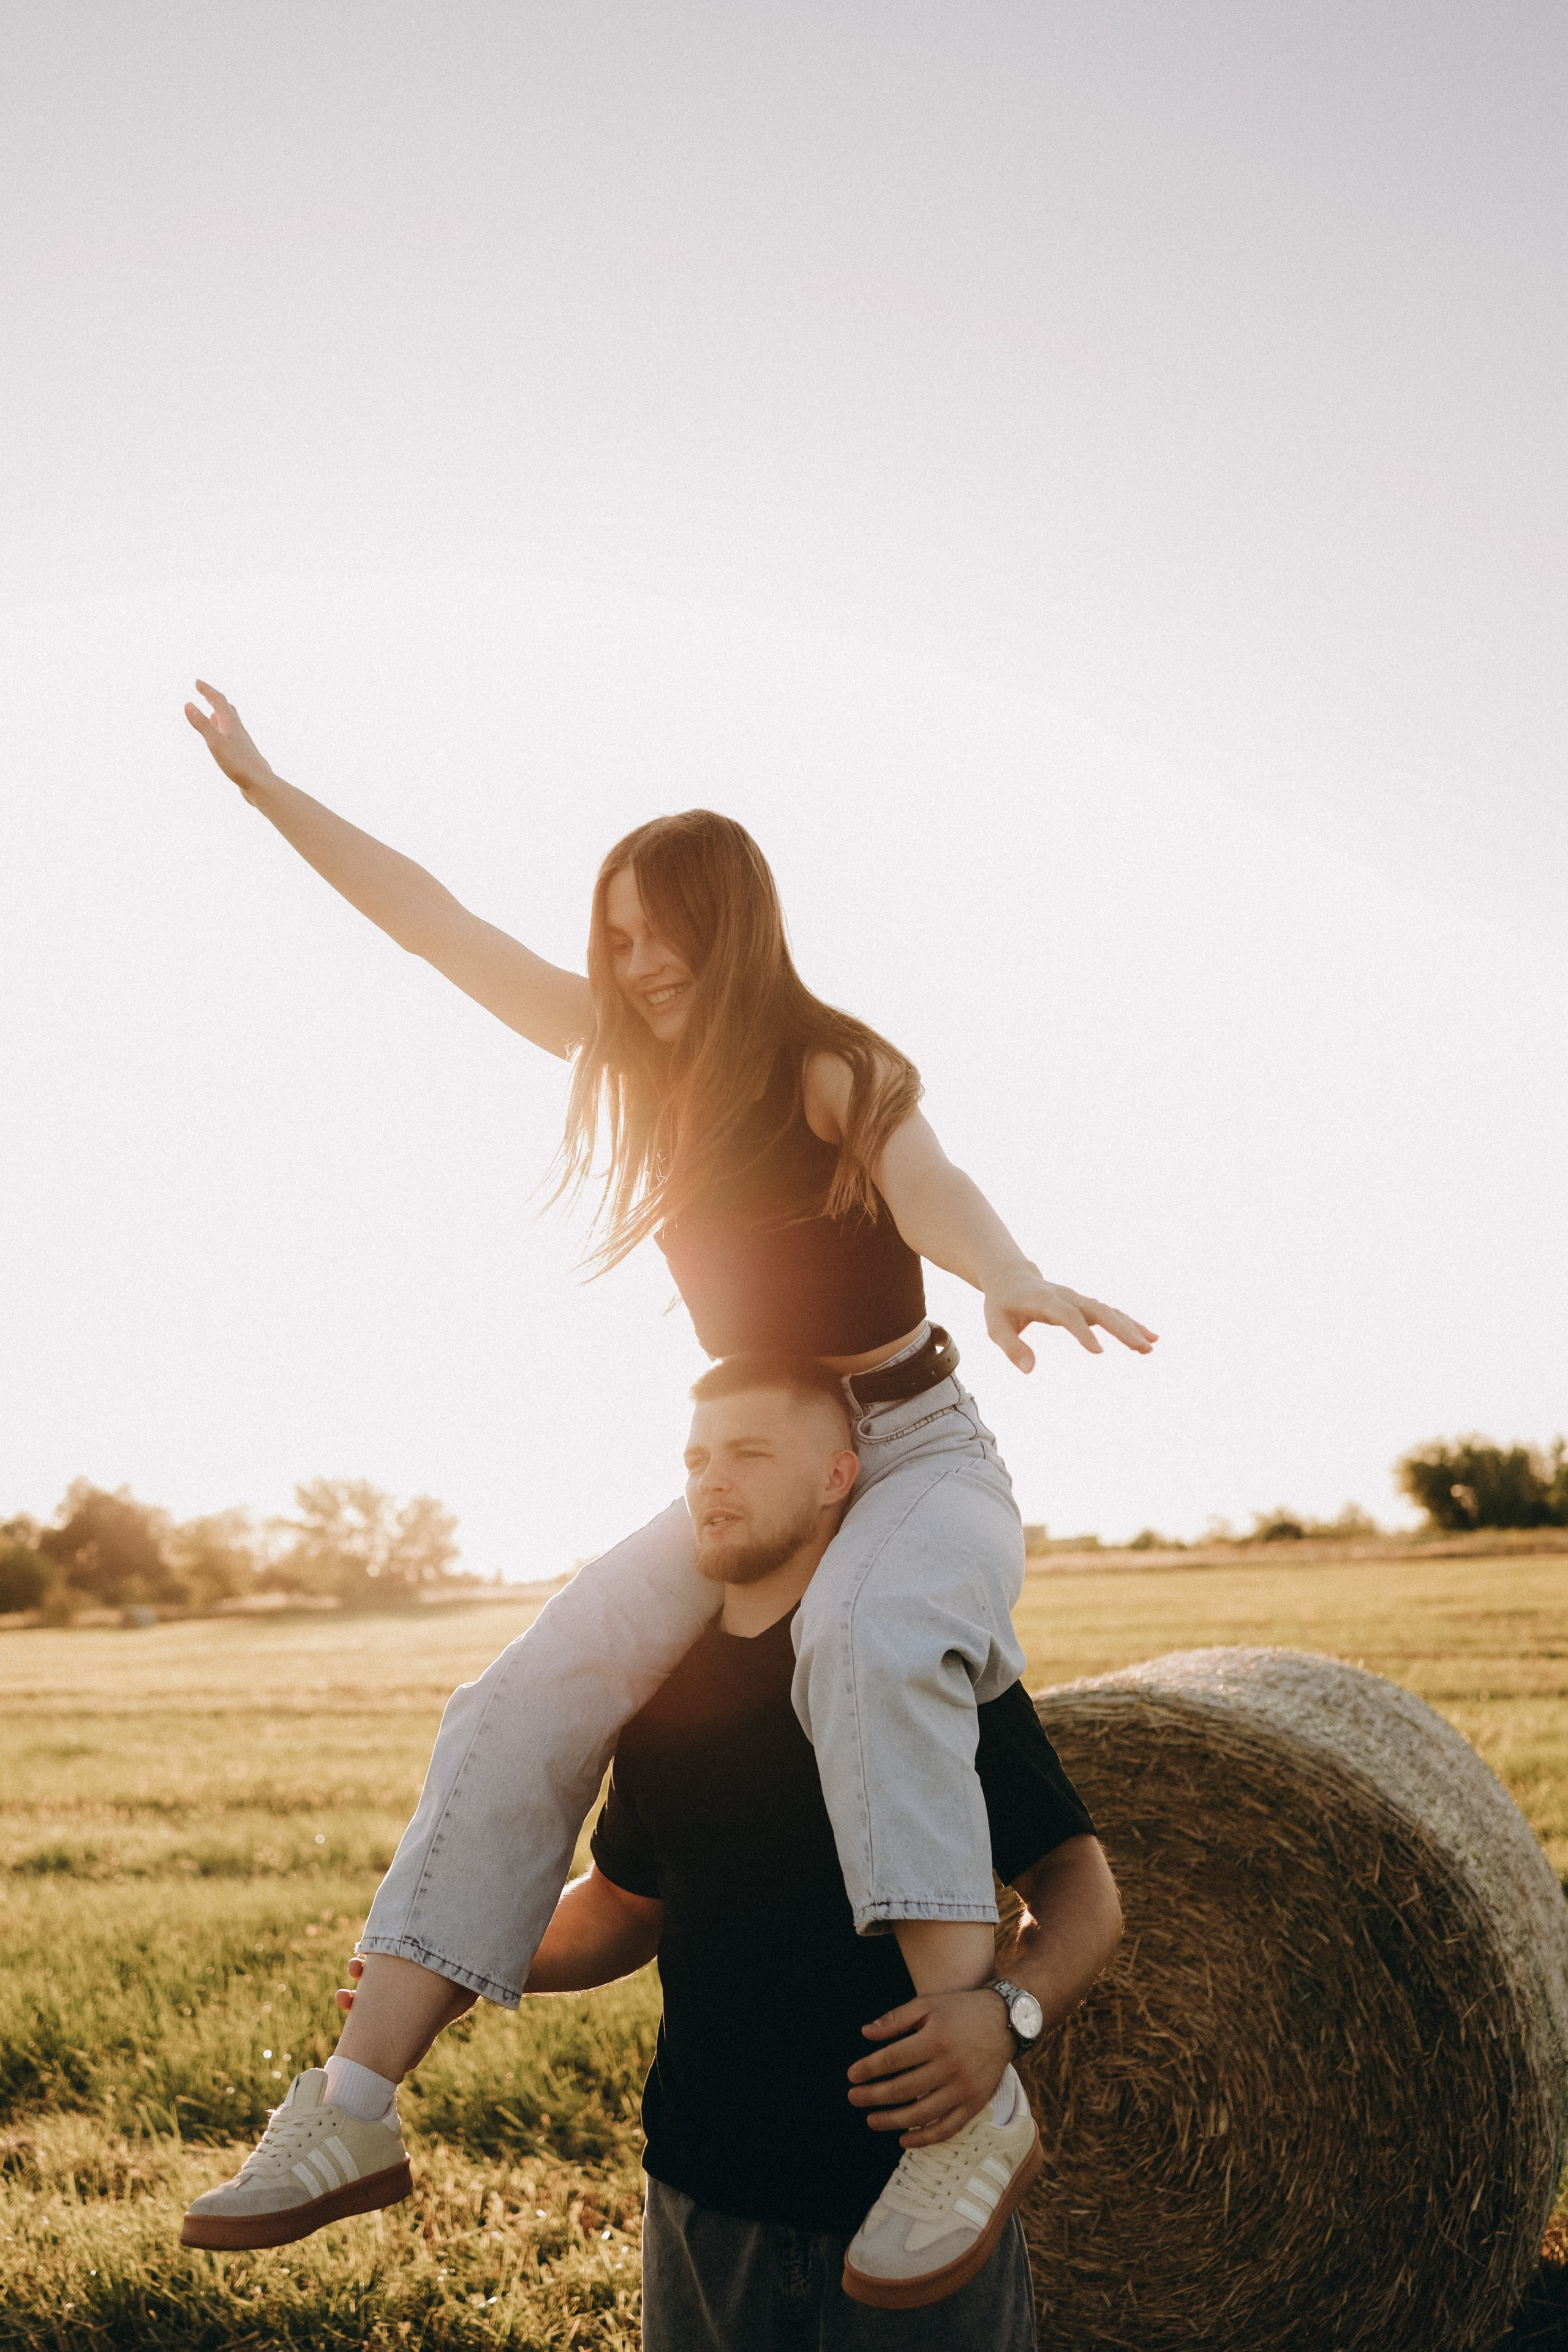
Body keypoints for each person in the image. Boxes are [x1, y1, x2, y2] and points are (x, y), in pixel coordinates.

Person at [179, 682, 1153, 2285]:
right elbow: (431, 923)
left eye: (661, 933)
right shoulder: (629, 1065)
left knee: (864, 1645)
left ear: (736, 924)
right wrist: (270, 789)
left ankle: (967, 2103)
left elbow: (935, 1182)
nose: (633, 967)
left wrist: (1012, 1271)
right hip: (762, 1462)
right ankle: (355, 2105)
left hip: (909, 1452)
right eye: (614, 938)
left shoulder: (830, 1069)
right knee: (519, 1692)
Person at [188, 1359, 1122, 2352]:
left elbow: (1081, 1889)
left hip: (915, 2194)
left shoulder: (920, 1656)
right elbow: (629, 1909)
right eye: (697, 1458)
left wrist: (1005, 2015)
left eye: (750, 1454)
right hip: (702, 2192)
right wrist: (450, 1963)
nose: (712, 1480)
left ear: (840, 1475)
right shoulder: (665, 1686)